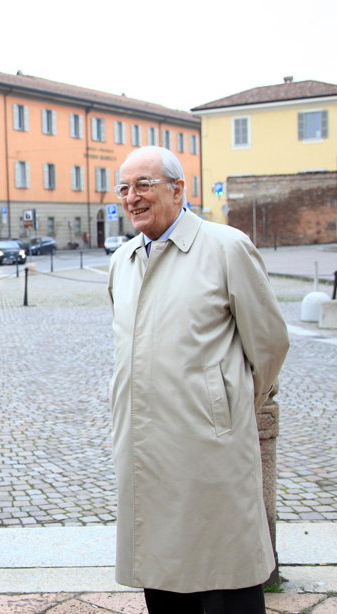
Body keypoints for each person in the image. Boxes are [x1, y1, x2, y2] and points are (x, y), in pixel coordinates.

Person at [107, 146, 289, 613]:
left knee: (224, 569)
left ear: (177, 188)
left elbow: (268, 343)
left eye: (143, 184)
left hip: (209, 445)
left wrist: (226, 403)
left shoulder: (226, 247)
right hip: (144, 444)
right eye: (124, 188)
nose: (132, 197)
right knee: (162, 572)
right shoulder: (122, 260)